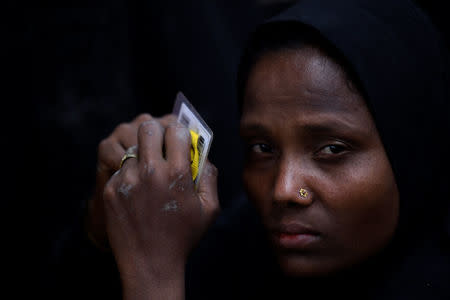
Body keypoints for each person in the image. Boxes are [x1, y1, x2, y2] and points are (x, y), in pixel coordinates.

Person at [85, 0, 450, 299]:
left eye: (332, 150)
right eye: (263, 148)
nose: (284, 190)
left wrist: (154, 277)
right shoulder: (237, 255)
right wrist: (107, 231)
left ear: (413, 156)